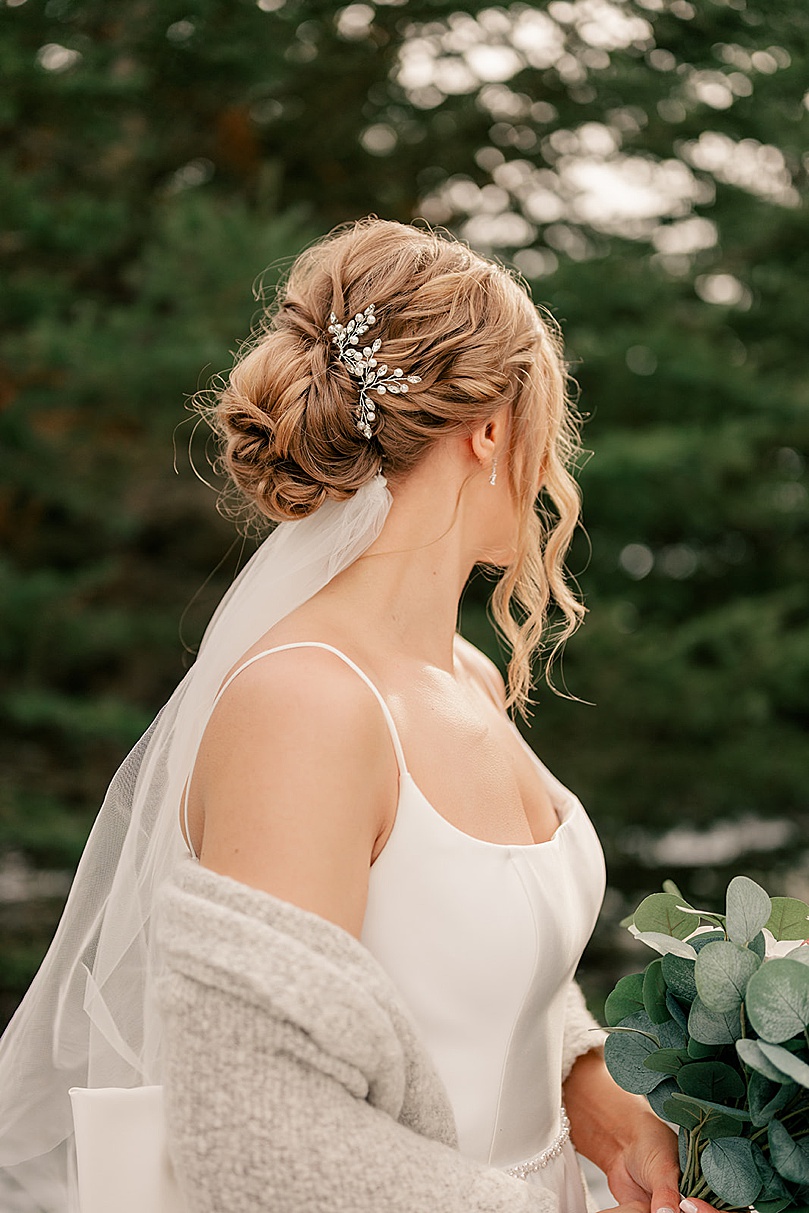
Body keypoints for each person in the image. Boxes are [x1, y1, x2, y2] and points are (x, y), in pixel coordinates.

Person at [0, 218, 711, 1213]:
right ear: (495, 427)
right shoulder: (307, 706)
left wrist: (597, 1101)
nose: (557, 467)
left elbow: (469, 975)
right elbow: (258, 1140)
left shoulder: (457, 671)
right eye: (549, 420)